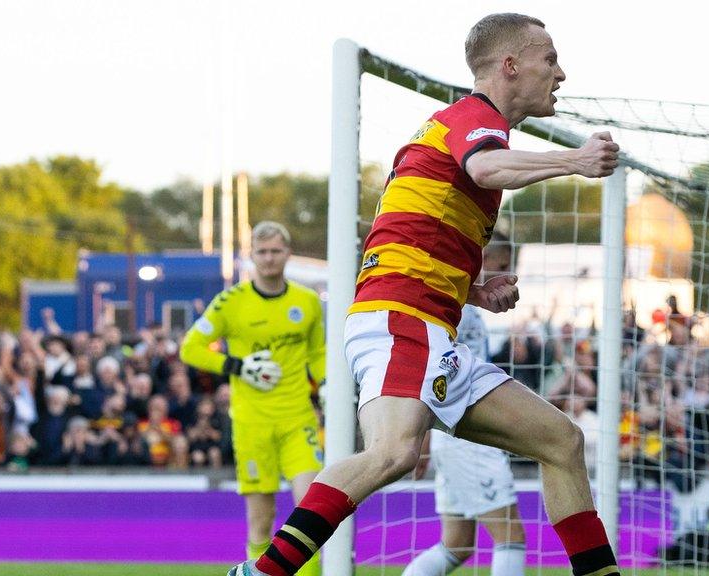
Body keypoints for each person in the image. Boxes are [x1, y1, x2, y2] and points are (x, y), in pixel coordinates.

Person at [230, 13, 619, 576]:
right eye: (550, 59)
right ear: (510, 66)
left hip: (425, 323)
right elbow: (486, 169)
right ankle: (261, 573)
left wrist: (473, 289)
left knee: (561, 441)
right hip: (400, 322)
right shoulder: (472, 121)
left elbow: (415, 231)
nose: (561, 73)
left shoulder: (453, 130)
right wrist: (574, 160)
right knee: (391, 454)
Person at [182, 221, 327, 576]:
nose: (269, 259)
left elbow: (317, 352)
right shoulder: (231, 302)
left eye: (276, 251)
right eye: (262, 252)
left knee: (310, 511)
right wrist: (238, 365)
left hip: (298, 420)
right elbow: (190, 348)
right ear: (251, 256)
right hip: (251, 424)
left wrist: (325, 384)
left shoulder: (306, 302)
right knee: (261, 521)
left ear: (288, 254)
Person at [403, 235, 527, 576]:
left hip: (453, 434)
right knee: (510, 536)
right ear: (483, 258)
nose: (506, 276)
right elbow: (432, 371)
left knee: (457, 543)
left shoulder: (464, 302)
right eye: (502, 266)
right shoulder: (454, 302)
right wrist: (421, 437)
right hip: (466, 435)